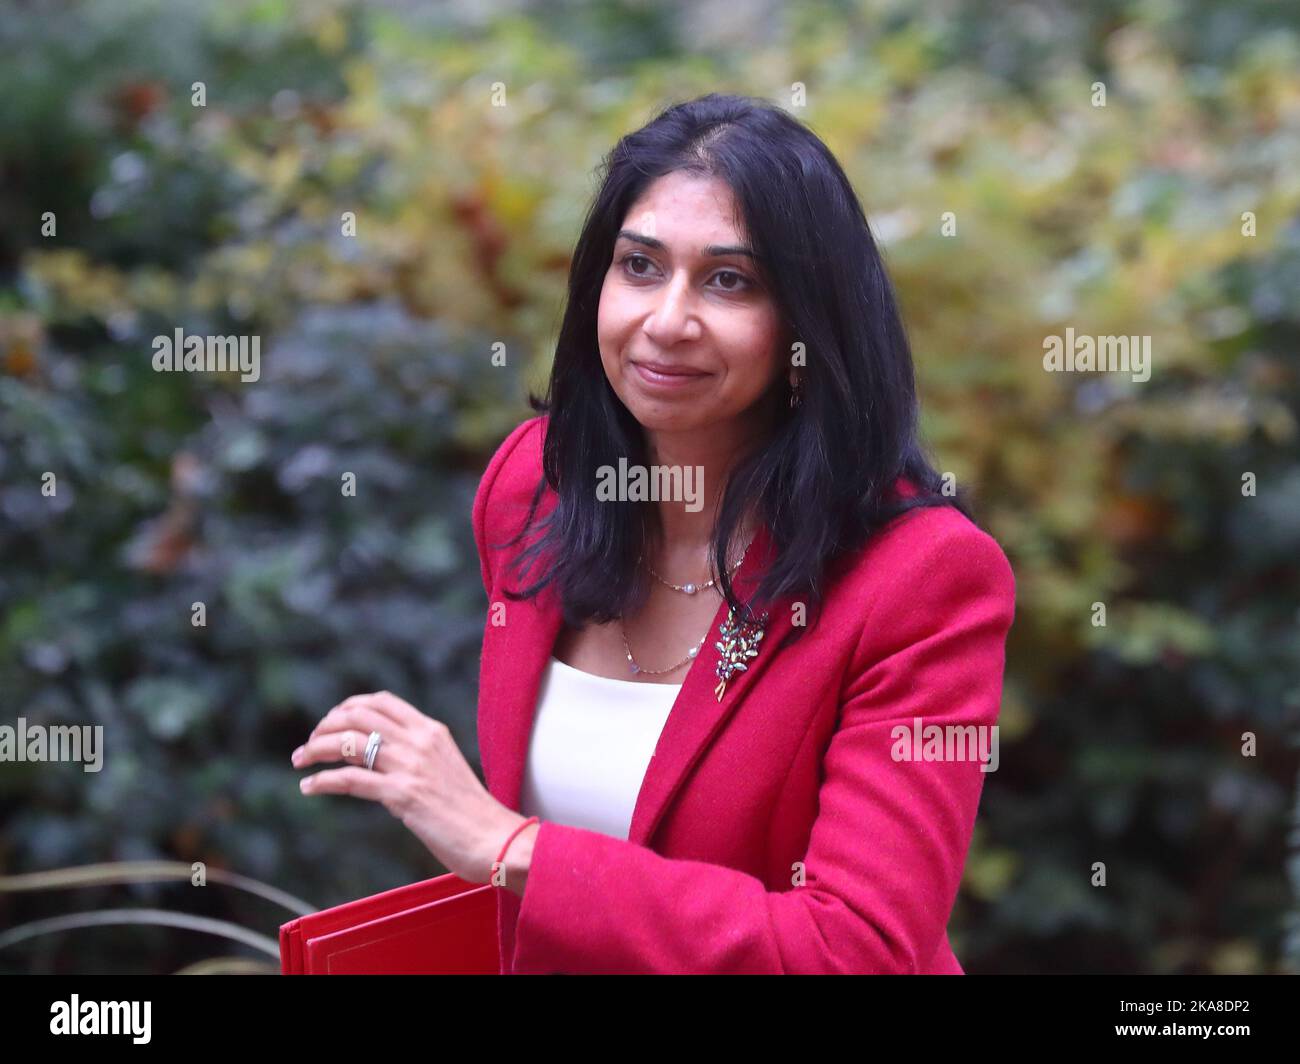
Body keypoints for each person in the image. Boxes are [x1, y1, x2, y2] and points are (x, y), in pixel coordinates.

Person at [293, 92, 1015, 974]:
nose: (667, 321)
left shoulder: (921, 579)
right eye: (640, 266)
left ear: (808, 325)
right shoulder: (535, 489)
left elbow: (855, 949)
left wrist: (505, 842)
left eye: (729, 281)